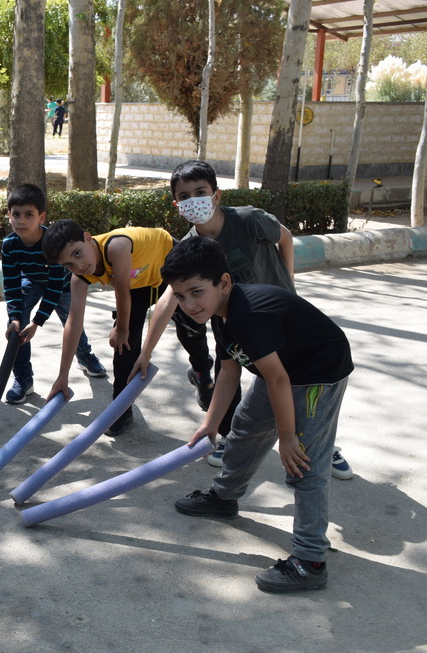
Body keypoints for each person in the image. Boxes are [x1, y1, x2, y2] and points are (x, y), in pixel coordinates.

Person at [131, 159, 354, 479]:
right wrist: (146, 352)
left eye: (200, 192)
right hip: (232, 324)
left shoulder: (249, 219)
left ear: (216, 195)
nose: (194, 200)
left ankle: (322, 443)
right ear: (176, 205)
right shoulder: (193, 247)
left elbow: (285, 238)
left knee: (299, 381)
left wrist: (288, 284)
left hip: (278, 319)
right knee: (229, 373)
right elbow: (169, 297)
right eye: (184, 196)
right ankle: (227, 436)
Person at [163, 237, 353, 593]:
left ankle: (310, 561)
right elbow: (228, 370)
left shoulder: (247, 315)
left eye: (196, 292)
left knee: (303, 463)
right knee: (245, 430)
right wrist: (210, 424)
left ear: (224, 282)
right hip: (280, 369)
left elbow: (279, 378)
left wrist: (288, 437)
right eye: (180, 296)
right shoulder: (220, 314)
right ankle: (224, 497)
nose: (188, 305)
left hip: (317, 374)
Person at [42, 220, 199, 435]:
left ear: (88, 238)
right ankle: (121, 410)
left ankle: (202, 371)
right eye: (68, 264)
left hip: (169, 261)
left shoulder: (116, 246)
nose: (78, 266)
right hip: (140, 280)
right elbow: (73, 322)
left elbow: (122, 291)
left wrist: (122, 329)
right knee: (124, 347)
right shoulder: (79, 277)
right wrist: (63, 376)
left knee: (191, 329)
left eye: (78, 253)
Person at [1, 184, 107, 405]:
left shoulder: (52, 243)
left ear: (41, 217)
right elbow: (11, 284)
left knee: (72, 321)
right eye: (16, 215)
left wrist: (37, 322)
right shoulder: (9, 245)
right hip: (32, 282)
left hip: (63, 285)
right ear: (9, 215)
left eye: (28, 215)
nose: (21, 221)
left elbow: (55, 288)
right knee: (16, 327)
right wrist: (15, 317)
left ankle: (84, 355)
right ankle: (23, 377)